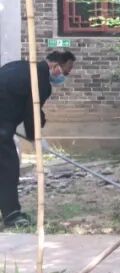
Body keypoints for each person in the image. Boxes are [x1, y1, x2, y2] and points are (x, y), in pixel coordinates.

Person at [0, 50, 76, 228]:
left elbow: (29, 109)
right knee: (8, 168)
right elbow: (31, 114)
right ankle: (12, 216)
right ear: (55, 66)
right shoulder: (40, 81)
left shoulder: (18, 66)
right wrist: (36, 140)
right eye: (66, 71)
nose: (66, 75)